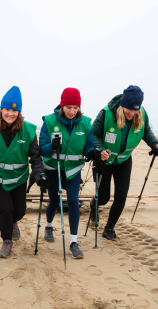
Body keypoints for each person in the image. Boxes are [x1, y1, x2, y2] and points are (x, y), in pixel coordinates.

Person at [0, 86, 47, 258]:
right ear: (1, 109)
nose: (11, 113)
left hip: (19, 178)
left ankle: (14, 222)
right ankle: (7, 241)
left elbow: (36, 159)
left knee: (19, 211)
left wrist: (39, 174)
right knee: (5, 209)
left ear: (19, 112)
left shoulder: (28, 130)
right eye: (7, 109)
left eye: (15, 110)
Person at [91, 85, 158, 241]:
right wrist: (100, 149)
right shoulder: (106, 113)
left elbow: (146, 131)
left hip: (124, 159)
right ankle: (93, 207)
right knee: (103, 198)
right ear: (122, 104)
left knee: (121, 196)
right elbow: (93, 134)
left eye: (135, 109)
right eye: (129, 109)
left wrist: (155, 144)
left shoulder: (141, 114)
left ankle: (109, 229)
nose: (132, 113)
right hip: (104, 158)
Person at [39, 88, 98, 259]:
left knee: (73, 201)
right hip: (53, 168)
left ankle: (73, 242)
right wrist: (52, 147)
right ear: (62, 106)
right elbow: (42, 148)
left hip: (73, 170)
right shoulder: (49, 121)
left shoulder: (85, 123)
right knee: (54, 201)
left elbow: (89, 145)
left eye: (75, 107)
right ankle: (49, 226)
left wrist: (92, 152)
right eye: (68, 107)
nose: (72, 111)